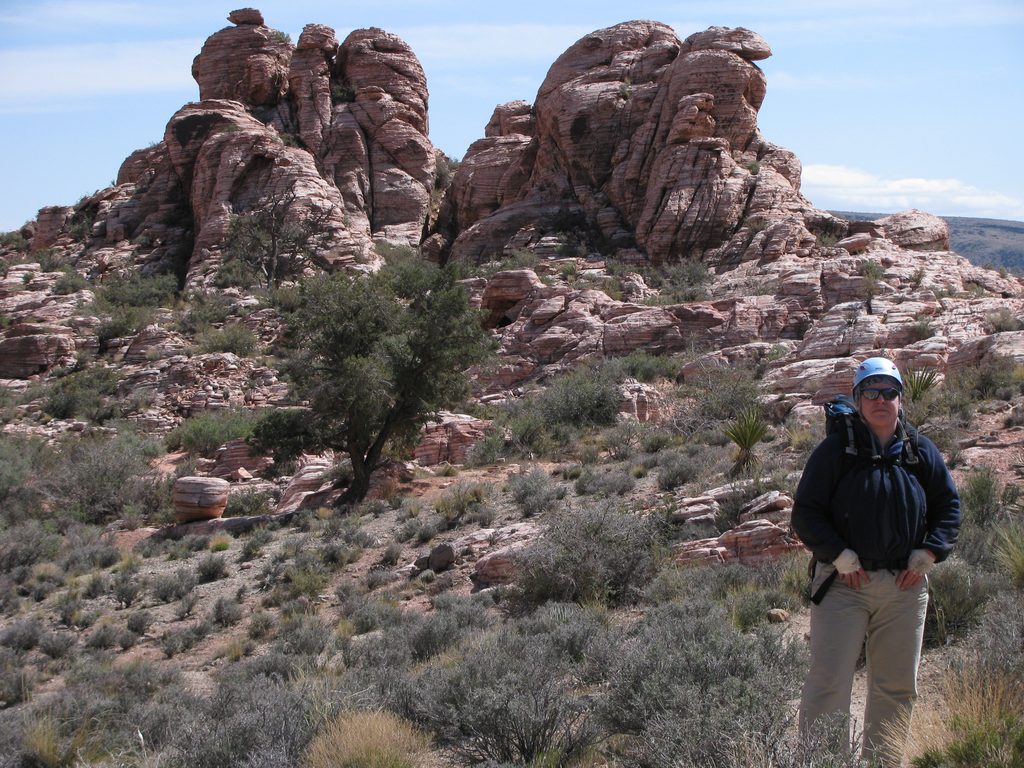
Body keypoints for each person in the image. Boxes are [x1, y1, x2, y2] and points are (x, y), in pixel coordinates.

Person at [791, 357, 961, 765]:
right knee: (829, 684)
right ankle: (822, 761)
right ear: (858, 398)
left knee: (897, 686)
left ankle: (882, 762)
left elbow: (948, 507)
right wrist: (839, 554)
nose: (880, 400)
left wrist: (930, 551)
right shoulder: (836, 451)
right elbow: (806, 513)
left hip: (904, 587)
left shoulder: (920, 450)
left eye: (889, 392)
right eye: (871, 392)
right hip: (845, 585)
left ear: (901, 399)